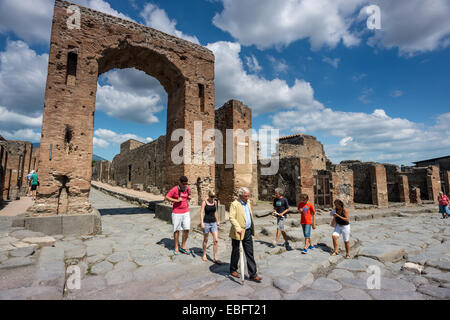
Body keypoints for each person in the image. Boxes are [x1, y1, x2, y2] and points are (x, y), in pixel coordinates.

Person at [229, 187, 262, 282]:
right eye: (246, 196)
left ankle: (253, 274)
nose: (248, 197)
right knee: (236, 252)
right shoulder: (234, 204)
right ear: (240, 195)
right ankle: (233, 269)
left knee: (249, 253)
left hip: (247, 231)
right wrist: (238, 227)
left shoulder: (248, 202)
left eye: (248, 195)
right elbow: (232, 217)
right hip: (238, 232)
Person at [165, 176, 192, 255]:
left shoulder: (187, 188)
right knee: (177, 230)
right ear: (179, 182)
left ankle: (183, 246)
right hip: (177, 212)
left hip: (186, 211)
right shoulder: (175, 189)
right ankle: (176, 247)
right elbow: (167, 197)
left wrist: (189, 197)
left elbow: (189, 195)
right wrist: (176, 200)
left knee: (187, 229)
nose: (185, 186)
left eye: (186, 184)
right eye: (183, 184)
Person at [200, 190, 222, 264]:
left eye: (213, 197)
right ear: (209, 196)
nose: (212, 198)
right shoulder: (204, 202)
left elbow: (215, 212)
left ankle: (215, 257)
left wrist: (217, 221)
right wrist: (202, 222)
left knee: (216, 240)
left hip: (213, 223)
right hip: (206, 222)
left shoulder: (215, 202)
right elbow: (202, 212)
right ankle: (204, 254)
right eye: (211, 197)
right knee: (206, 239)